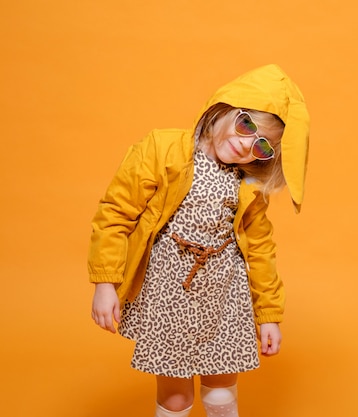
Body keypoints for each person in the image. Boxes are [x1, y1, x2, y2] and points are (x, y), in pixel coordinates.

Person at [88, 64, 310, 417]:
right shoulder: (163, 149)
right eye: (246, 125)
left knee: (221, 396)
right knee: (176, 397)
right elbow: (116, 213)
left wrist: (268, 315)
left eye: (263, 146)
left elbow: (261, 250)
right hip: (167, 291)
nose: (246, 144)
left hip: (224, 293)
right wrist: (105, 282)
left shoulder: (248, 185)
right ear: (223, 108)